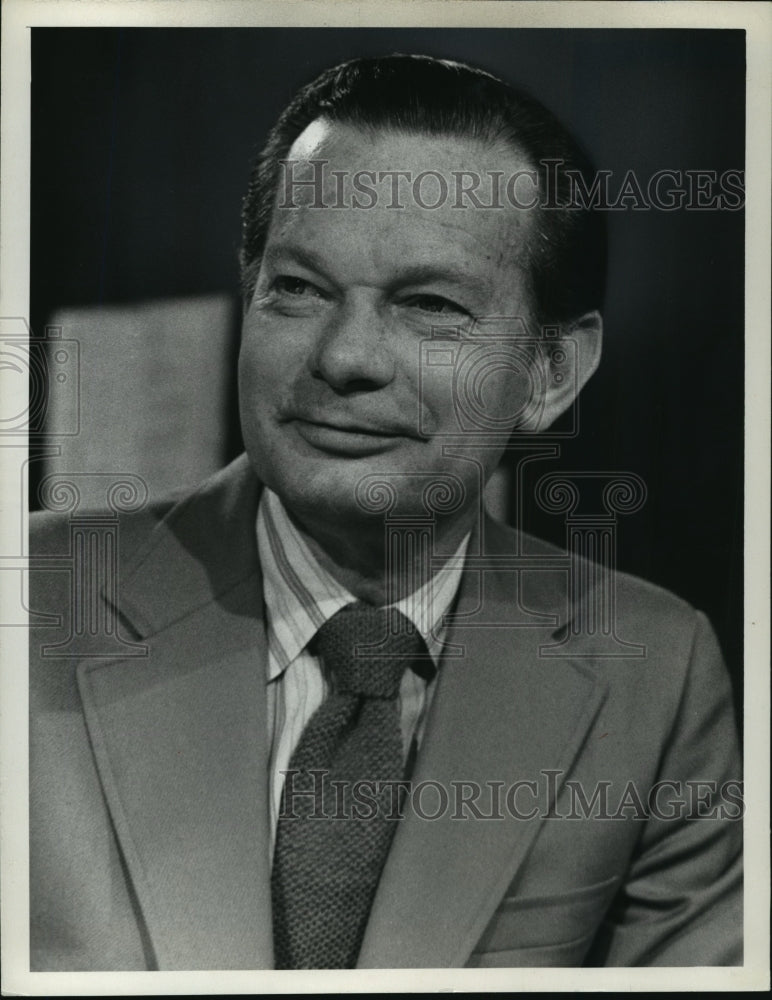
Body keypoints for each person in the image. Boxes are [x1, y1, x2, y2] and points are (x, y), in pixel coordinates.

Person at [29, 54, 742, 970]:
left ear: (550, 372)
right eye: (299, 288)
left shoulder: (657, 671)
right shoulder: (33, 608)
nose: (346, 357)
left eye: (430, 305)